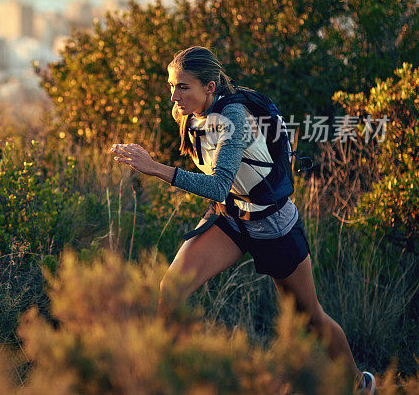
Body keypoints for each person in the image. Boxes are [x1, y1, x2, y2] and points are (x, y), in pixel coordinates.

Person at [110, 46, 375, 393]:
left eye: (182, 87)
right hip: (232, 218)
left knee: (309, 317)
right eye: (171, 85)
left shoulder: (234, 117)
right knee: (170, 290)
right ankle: (171, 381)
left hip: (273, 225)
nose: (173, 96)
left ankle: (359, 384)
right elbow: (225, 191)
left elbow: (219, 185)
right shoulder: (190, 113)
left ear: (209, 87)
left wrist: (156, 169)